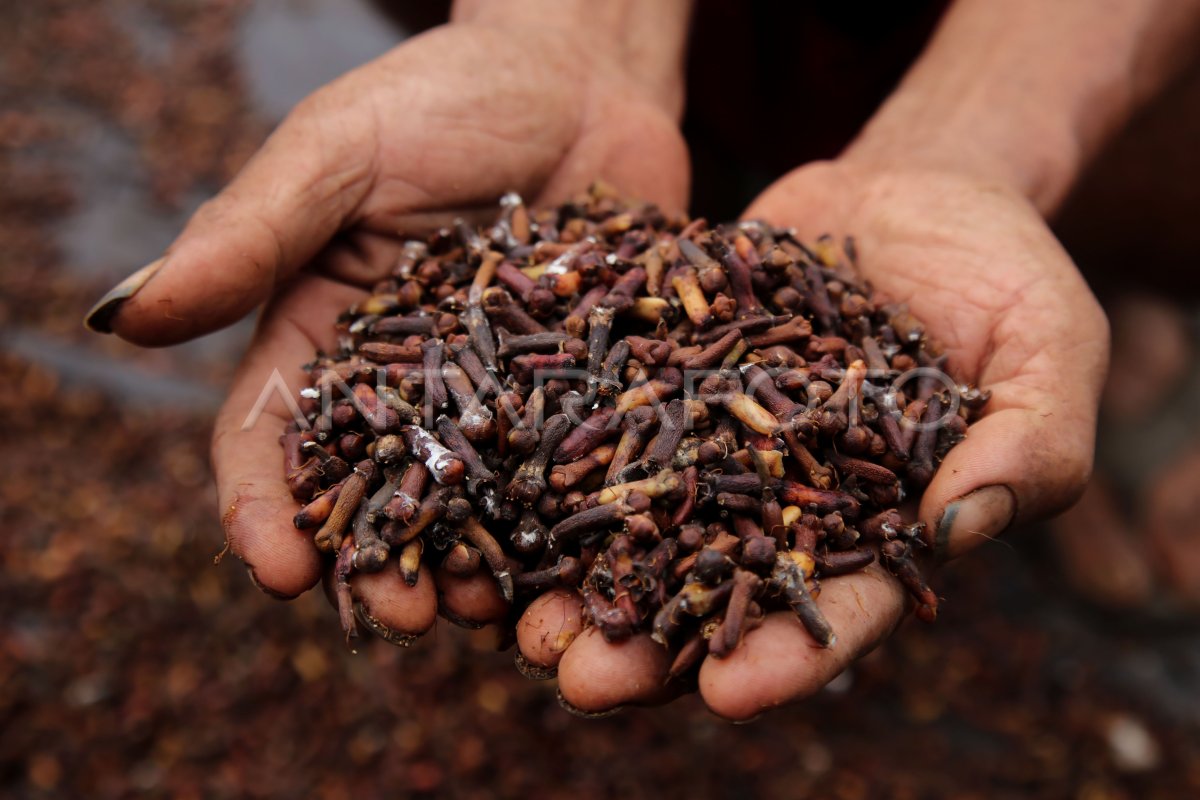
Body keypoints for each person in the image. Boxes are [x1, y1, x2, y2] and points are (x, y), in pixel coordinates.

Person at [83, 0, 1200, 720]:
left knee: (1098, 178)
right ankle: (697, 153)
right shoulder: (533, 371)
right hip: (622, 303)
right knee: (704, 152)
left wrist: (982, 140)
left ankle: (1087, 268)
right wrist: (567, 31)